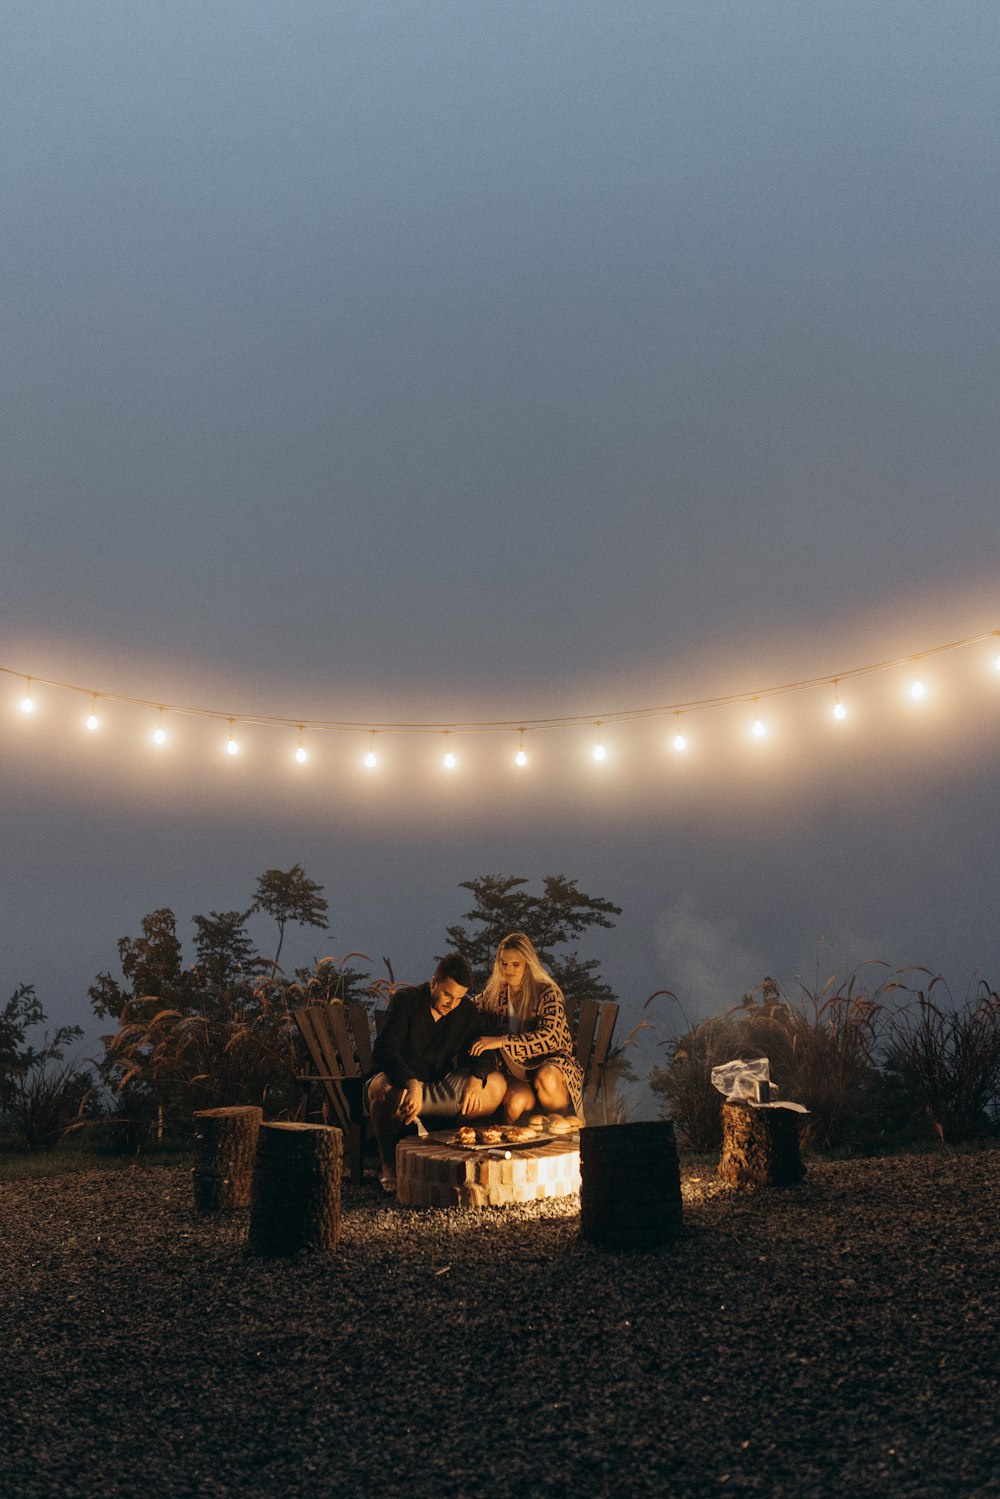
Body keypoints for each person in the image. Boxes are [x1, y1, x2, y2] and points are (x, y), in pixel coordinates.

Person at [367, 952, 506, 1191]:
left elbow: (484, 1051)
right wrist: (411, 1083)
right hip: (401, 1083)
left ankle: (451, 1153)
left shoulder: (465, 1011)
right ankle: (389, 1163)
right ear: (434, 983)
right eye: (447, 994)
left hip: (438, 1085)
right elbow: (384, 1049)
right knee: (382, 1090)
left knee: (495, 1085)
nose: (451, 1004)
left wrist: (476, 1078)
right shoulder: (407, 1001)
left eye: (459, 998)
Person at [468, 932, 584, 1123]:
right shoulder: (494, 994)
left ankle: (559, 1136)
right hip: (514, 1071)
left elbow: (550, 1037)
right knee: (517, 1101)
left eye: (515, 964)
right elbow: (467, 1010)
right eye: (503, 963)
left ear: (527, 964)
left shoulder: (547, 991)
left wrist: (501, 1041)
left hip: (551, 1065)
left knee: (547, 1077)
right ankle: (517, 1147)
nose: (508, 970)